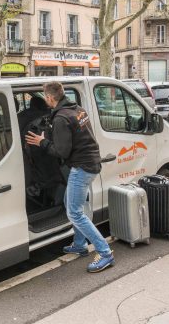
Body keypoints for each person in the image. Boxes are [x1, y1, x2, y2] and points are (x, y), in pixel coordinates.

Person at [25, 81, 114, 273]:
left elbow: (61, 152)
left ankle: (105, 252)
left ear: (49, 98)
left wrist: (42, 142)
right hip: (91, 163)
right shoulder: (77, 109)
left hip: (81, 168)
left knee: (74, 213)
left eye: (45, 97)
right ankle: (79, 244)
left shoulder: (61, 119)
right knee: (71, 203)